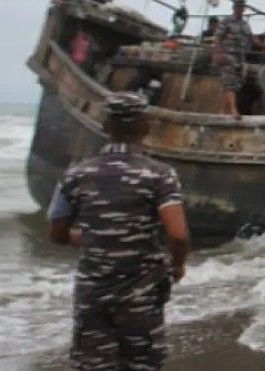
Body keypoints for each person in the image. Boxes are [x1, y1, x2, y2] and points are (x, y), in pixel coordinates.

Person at [47, 93, 190, 371]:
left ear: (105, 126)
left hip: (93, 292)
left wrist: (91, 237)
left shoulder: (75, 174)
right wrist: (178, 265)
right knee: (141, 363)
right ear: (145, 126)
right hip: (141, 291)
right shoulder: (160, 175)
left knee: (92, 364)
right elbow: (178, 234)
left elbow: (57, 232)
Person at [212, 0, 262, 117]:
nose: (240, 9)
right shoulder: (226, 22)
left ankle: (228, 111)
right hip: (228, 57)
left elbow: (251, 38)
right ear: (234, 8)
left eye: (242, 7)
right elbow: (217, 38)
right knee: (230, 84)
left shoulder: (245, 24)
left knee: (237, 85)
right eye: (238, 7)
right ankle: (234, 111)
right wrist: (217, 54)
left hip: (240, 58)